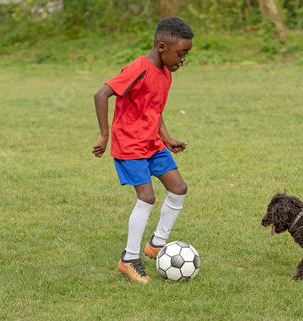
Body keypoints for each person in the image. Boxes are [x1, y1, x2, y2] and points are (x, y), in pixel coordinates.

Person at [92, 17, 194, 283]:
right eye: (181, 53)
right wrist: (104, 135)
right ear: (162, 47)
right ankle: (129, 259)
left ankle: (156, 244)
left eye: (186, 54)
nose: (183, 59)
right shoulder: (138, 68)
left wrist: (167, 138)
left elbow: (153, 108)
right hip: (129, 144)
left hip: (152, 143)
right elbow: (101, 94)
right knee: (147, 197)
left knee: (178, 188)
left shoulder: (166, 73)